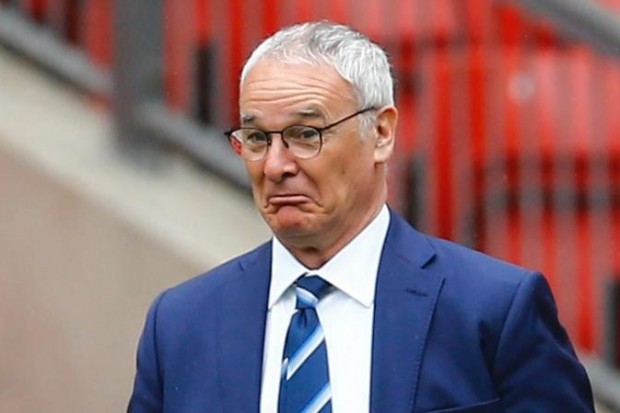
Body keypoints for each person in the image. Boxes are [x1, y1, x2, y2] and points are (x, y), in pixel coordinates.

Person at [128, 21, 595, 413]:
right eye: (256, 139)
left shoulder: (492, 310)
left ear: (382, 134)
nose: (275, 166)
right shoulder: (181, 323)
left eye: (305, 134)